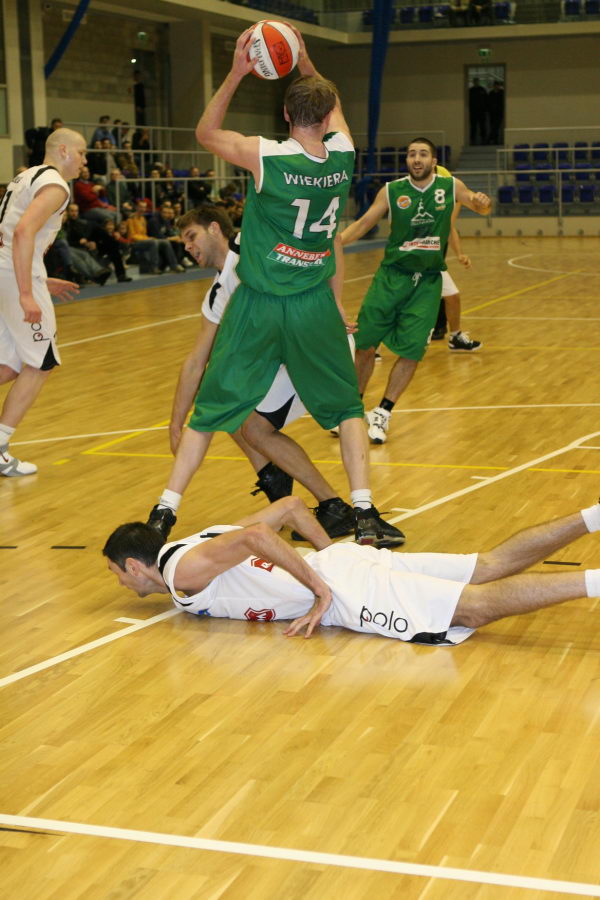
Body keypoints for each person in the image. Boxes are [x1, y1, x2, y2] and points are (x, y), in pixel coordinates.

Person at [146, 25, 405, 550]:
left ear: (286, 114)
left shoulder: (267, 156)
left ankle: (164, 512)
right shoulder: (344, 155)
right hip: (313, 303)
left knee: (211, 409)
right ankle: (364, 511)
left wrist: (237, 72)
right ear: (327, 117)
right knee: (347, 409)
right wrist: (304, 59)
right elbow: (334, 109)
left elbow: (205, 132)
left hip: (259, 303)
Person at [105, 495, 600, 643]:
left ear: (133, 565)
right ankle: (593, 516)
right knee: (488, 566)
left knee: (473, 608)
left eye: (117, 574)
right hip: (343, 562)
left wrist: (322, 590)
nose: (121, 583)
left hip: (341, 586)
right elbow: (291, 508)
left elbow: (257, 537)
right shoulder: (194, 542)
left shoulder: (181, 573)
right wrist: (334, 557)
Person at [160, 205, 358, 540]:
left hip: (313, 348)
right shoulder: (218, 292)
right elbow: (195, 361)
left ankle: (333, 504)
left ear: (214, 228)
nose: (188, 247)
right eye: (183, 243)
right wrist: (176, 424)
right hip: (283, 360)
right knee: (226, 401)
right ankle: (280, 481)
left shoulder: (252, 248)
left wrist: (335, 299)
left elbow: (329, 240)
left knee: (252, 425)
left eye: (191, 237)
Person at [338, 138, 490, 445]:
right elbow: (365, 222)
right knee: (364, 345)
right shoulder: (392, 191)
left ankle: (383, 412)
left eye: (422, 154)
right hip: (391, 278)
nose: (416, 159)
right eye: (411, 154)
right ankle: (352, 411)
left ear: (434, 161)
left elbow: (479, 206)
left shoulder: (450, 186)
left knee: (411, 352)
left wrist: (483, 202)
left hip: (428, 283)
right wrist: (335, 243)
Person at [0, 128, 86, 476]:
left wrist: (39, 278)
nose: (84, 161)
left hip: (6, 272)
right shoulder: (55, 185)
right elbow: (23, 232)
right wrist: (25, 291)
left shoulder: (25, 176)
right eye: (81, 153)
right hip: (13, 277)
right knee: (41, 362)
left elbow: (10, 234)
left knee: (9, 365)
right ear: (63, 150)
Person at [431, 163, 481, 351]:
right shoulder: (409, 191)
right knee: (396, 302)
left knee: (452, 295)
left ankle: (454, 336)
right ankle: (371, 345)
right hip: (412, 255)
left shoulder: (449, 188)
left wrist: (459, 253)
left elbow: (449, 226)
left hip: (432, 255)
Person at [126, 199, 183, 273]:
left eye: (144, 207)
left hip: (145, 240)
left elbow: (144, 233)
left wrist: (147, 238)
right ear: (136, 207)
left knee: (165, 242)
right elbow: (132, 236)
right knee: (153, 242)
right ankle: (154, 267)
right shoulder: (131, 219)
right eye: (141, 207)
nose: (143, 209)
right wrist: (147, 239)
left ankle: (174, 265)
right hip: (134, 243)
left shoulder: (143, 219)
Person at [469, 78, 488, 146]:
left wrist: (486, 109)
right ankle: (473, 140)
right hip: (473, 111)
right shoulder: (471, 90)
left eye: (477, 81)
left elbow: (486, 99)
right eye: (475, 81)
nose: (476, 83)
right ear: (473, 82)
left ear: (478, 82)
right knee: (473, 126)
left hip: (481, 111)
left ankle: (483, 139)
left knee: (482, 126)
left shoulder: (482, 89)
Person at [487, 81, 505, 146]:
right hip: (492, 113)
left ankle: (489, 139)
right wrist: (489, 110)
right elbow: (488, 102)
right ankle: (494, 140)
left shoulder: (502, 93)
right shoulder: (491, 93)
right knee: (493, 126)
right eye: (495, 85)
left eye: (497, 85)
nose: (496, 86)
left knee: (496, 126)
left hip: (499, 112)